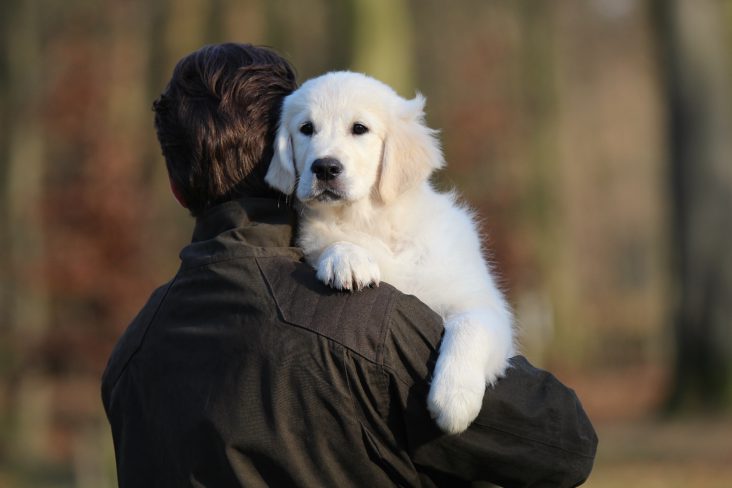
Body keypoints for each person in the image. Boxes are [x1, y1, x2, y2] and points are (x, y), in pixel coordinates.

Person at [101, 43, 597, 487]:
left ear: (175, 187)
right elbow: (563, 444)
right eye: (308, 132)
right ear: (279, 157)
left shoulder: (127, 358)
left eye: (357, 130)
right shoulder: (368, 327)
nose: (325, 152)